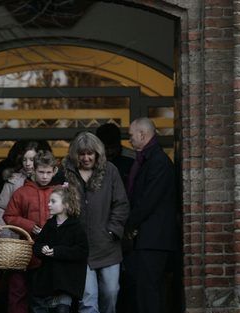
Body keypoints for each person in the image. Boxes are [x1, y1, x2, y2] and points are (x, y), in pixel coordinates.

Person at [62, 132, 129, 313]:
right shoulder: (66, 173)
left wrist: (112, 231)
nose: (86, 158)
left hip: (107, 246)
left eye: (90, 153)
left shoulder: (110, 171)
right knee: (88, 299)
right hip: (80, 248)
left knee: (111, 292)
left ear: (97, 153)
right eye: (81, 154)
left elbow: (121, 204)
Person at [123, 117, 178, 313]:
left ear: (142, 134)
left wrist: (128, 224)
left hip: (154, 240)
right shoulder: (150, 159)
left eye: (131, 135)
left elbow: (147, 201)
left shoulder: (158, 162)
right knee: (145, 291)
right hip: (149, 239)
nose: (129, 140)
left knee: (149, 292)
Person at [3, 150, 60, 313]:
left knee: (52, 297)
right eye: (41, 172)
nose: (44, 176)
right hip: (28, 251)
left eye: (48, 172)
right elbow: (9, 215)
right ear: (33, 170)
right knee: (26, 294)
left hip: (53, 252)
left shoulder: (58, 192)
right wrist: (29, 225)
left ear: (54, 171)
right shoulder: (21, 192)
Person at [31, 185, 89, 313]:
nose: (49, 204)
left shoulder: (76, 227)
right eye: (49, 201)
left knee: (62, 309)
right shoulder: (49, 225)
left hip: (66, 281)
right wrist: (42, 249)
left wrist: (57, 251)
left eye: (53, 201)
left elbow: (82, 251)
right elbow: (36, 246)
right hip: (47, 280)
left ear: (66, 205)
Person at [0, 141, 41, 238]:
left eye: (32, 160)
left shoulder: (45, 180)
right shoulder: (13, 180)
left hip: (39, 237)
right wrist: (6, 235)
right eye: (24, 160)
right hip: (15, 238)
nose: (27, 164)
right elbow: (1, 209)